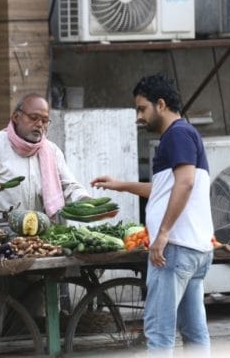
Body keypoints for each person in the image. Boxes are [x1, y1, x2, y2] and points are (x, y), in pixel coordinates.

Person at [91, 74, 214, 354]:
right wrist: (120, 185)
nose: (138, 116)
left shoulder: (178, 134)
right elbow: (164, 189)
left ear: (161, 104)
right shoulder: (185, 134)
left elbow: (185, 183)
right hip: (194, 249)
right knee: (195, 333)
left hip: (176, 250)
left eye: (141, 108)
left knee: (159, 333)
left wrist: (163, 235)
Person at [0, 92, 90, 221]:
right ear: (16, 117)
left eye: (45, 120)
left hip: (37, 234)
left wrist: (87, 201)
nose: (39, 125)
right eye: (33, 118)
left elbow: (69, 186)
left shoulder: (52, 152)